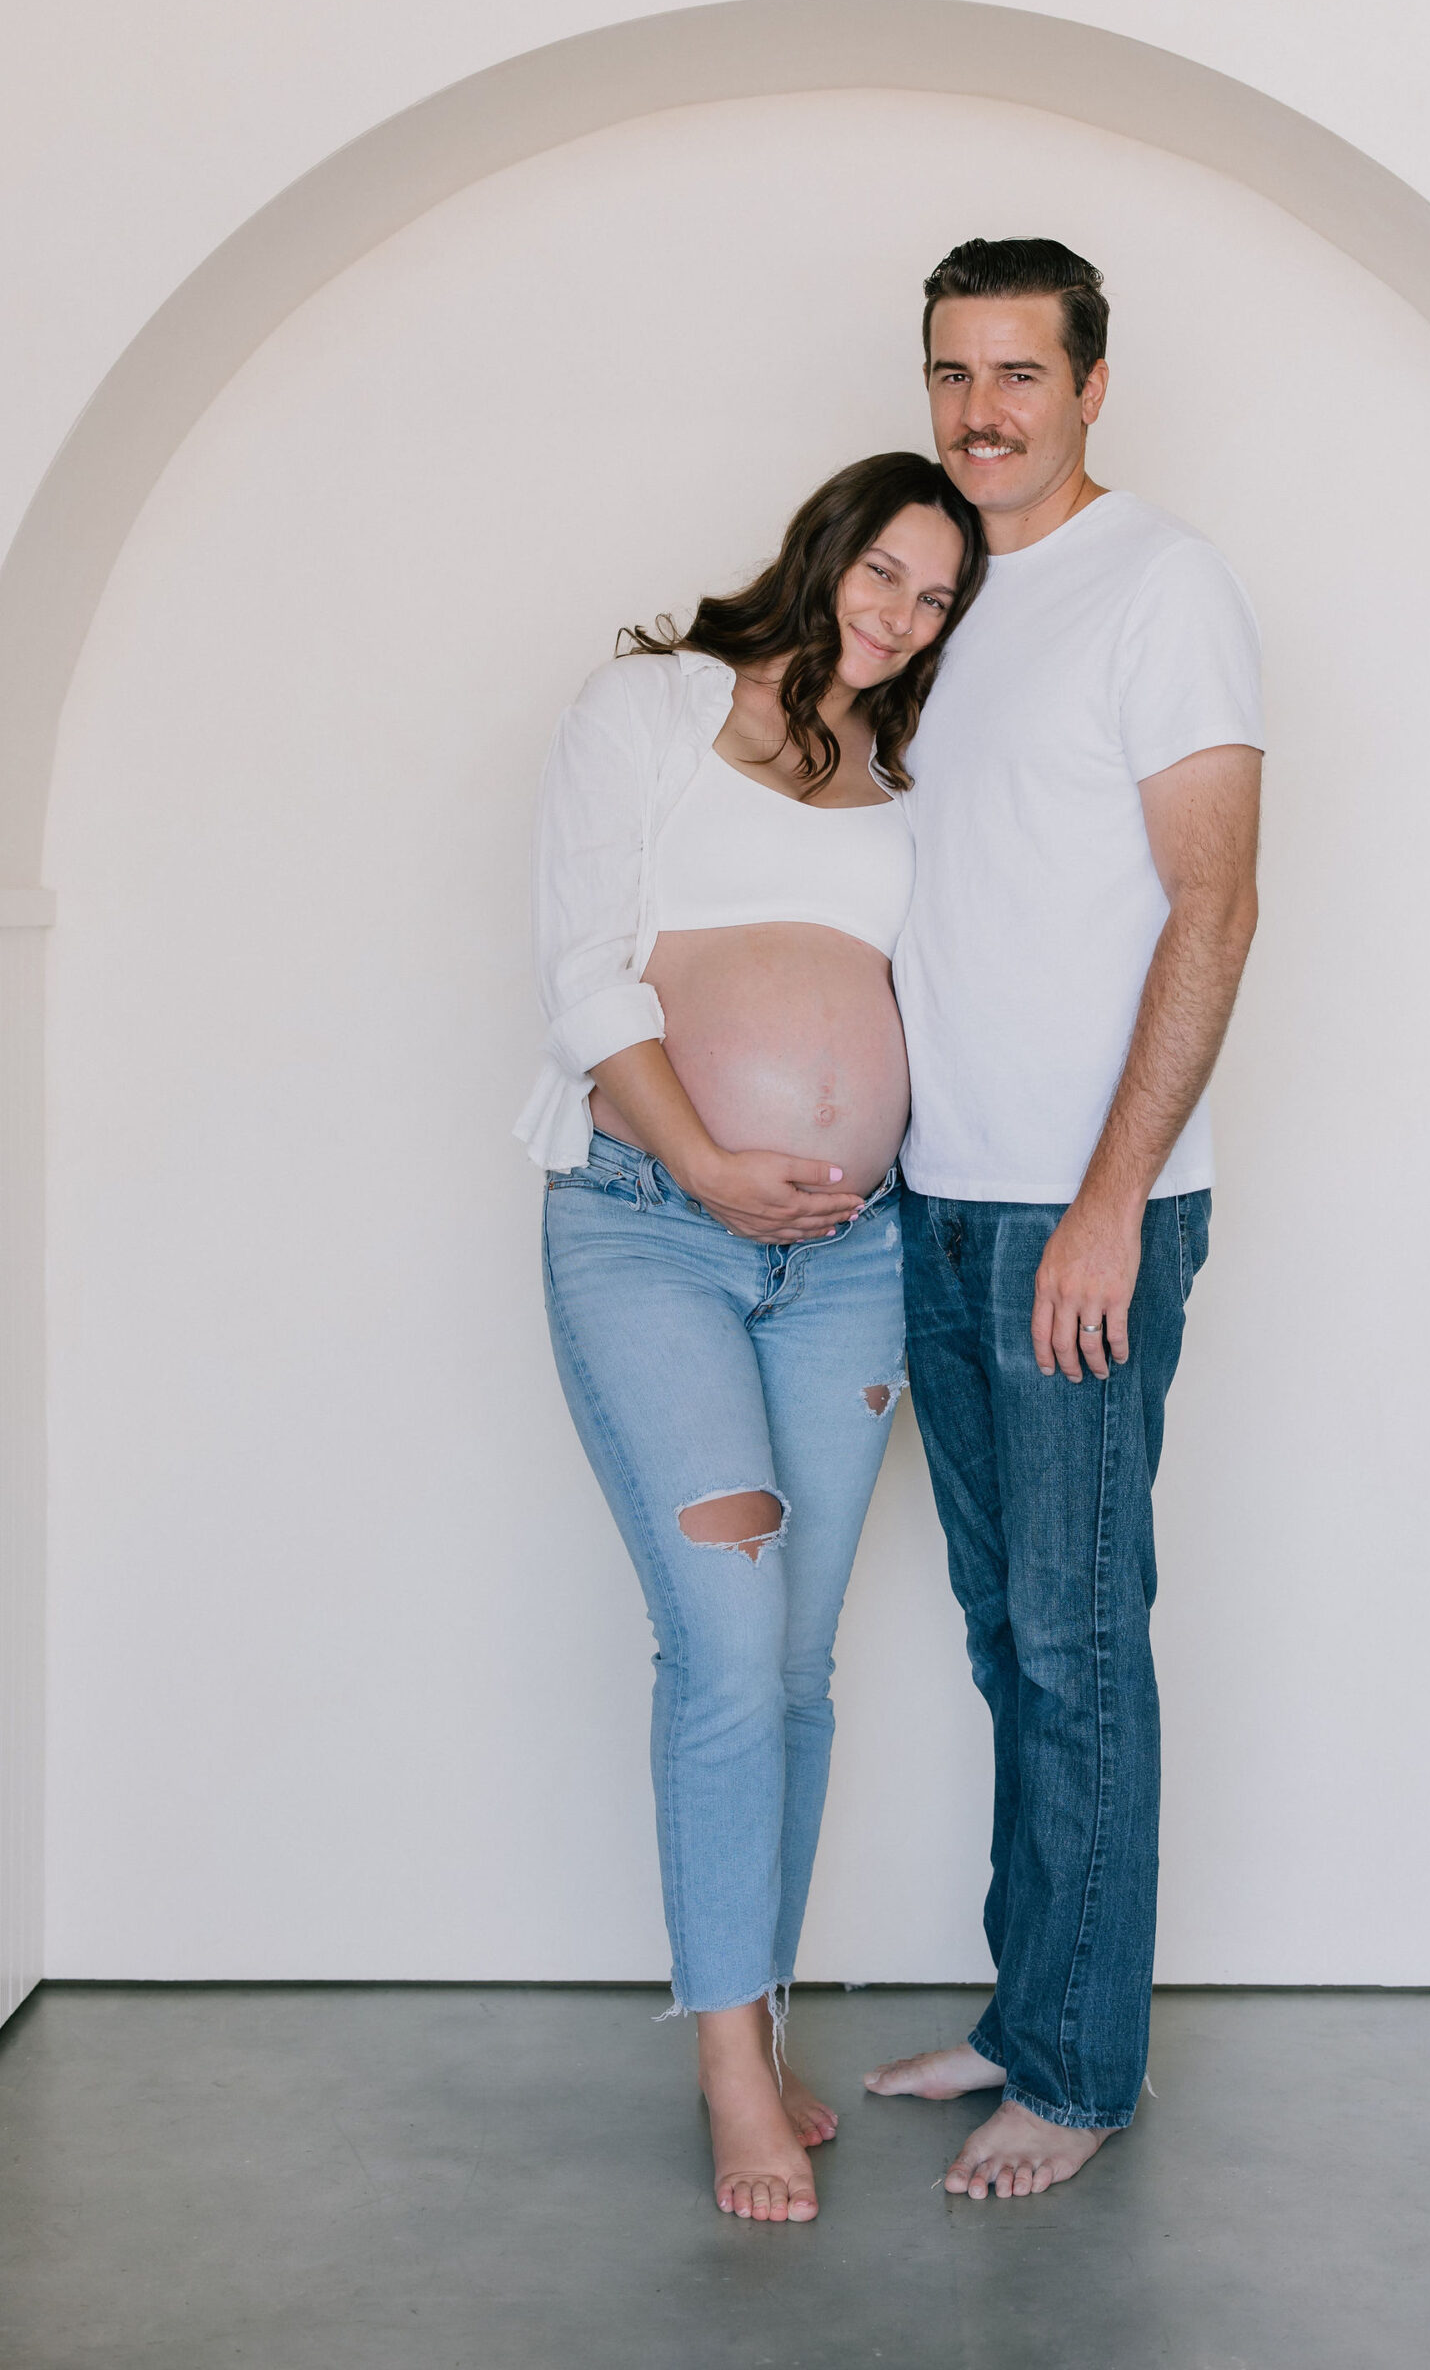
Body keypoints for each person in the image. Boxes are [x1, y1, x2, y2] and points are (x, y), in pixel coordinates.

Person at [517, 451, 986, 2226]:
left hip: (851, 1261)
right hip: (649, 1228)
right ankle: (728, 2072)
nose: (900, 613)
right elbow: (580, 973)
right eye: (885, 569)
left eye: (937, 598)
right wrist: (708, 1159)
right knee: (720, 1642)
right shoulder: (650, 708)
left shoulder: (902, 780)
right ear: (825, 547)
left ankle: (762, 2017)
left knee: (793, 1667)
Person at [863, 238, 1264, 2199]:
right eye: (953, 373)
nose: (981, 411)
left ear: (1091, 384)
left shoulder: (1159, 584)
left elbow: (1212, 901)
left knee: (1079, 1646)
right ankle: (1031, 2007)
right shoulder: (944, 593)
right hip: (934, 1206)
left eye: (1019, 372)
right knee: (1002, 1630)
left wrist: (1109, 1199)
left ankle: (1080, 2076)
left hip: (1073, 1215)